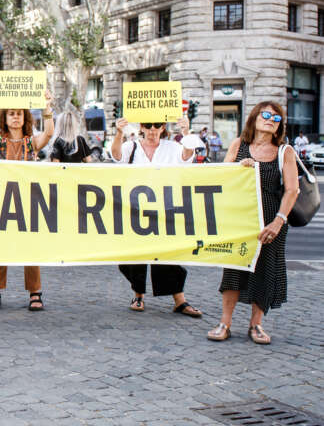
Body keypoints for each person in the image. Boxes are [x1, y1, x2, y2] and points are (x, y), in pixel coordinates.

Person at [208, 103, 298, 344]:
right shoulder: (239, 145)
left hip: (271, 222)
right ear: (254, 118)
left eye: (276, 117)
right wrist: (239, 167)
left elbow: (292, 190)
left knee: (266, 271)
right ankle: (224, 323)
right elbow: (221, 176)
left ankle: (256, 325)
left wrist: (278, 222)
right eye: (266, 115)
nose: (271, 119)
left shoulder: (284, 151)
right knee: (234, 271)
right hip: (241, 220)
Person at [110, 116, 202, 317]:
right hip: (136, 208)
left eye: (157, 125)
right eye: (148, 125)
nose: (153, 129)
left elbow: (188, 156)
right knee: (135, 256)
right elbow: (116, 156)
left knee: (168, 255)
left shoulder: (173, 147)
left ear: (163, 127)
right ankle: (138, 295)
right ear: (142, 126)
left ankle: (180, 300)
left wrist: (186, 132)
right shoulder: (131, 147)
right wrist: (118, 132)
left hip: (165, 208)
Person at [0, 88, 54, 312]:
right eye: (11, 113)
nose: (15, 117)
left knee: (30, 246)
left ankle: (35, 291)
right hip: (1, 200)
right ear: (5, 117)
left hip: (27, 200)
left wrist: (47, 106)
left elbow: (49, 133)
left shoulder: (31, 143)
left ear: (25, 118)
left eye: (19, 113)